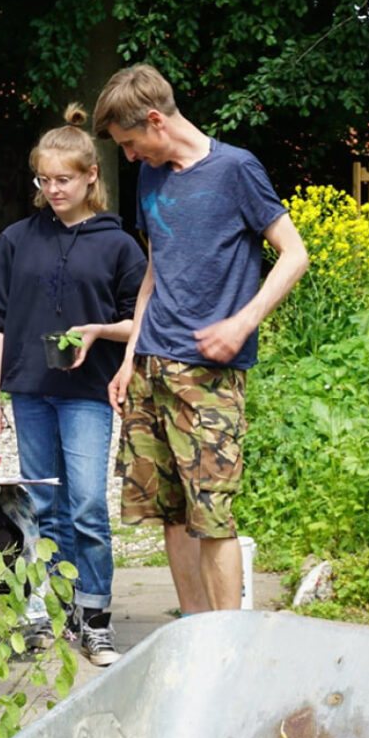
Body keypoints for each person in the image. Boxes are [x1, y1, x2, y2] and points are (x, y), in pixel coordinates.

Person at [95, 64, 308, 613]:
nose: (130, 156)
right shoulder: (151, 175)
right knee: (169, 513)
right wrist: (129, 357)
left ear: (155, 120)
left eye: (130, 142)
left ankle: (229, 644)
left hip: (209, 377)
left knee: (212, 516)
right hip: (150, 368)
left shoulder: (236, 170)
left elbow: (295, 254)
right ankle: (195, 633)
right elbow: (153, 271)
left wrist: (243, 321)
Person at [0, 106, 147, 666]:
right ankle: (46, 614)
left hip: (87, 394)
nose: (53, 190)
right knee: (40, 503)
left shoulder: (119, 244)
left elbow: (138, 321)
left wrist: (98, 331)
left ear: (90, 177)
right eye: (44, 180)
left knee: (88, 507)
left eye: (64, 180)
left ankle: (95, 618)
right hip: (28, 391)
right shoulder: (14, 240)